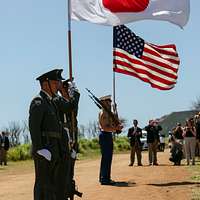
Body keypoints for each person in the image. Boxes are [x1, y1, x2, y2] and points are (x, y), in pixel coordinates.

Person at [29, 69, 78, 200]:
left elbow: (68, 110)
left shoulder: (52, 102)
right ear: (46, 84)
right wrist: (39, 149)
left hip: (55, 148)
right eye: (55, 83)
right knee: (43, 185)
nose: (58, 86)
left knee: (54, 186)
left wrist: (67, 147)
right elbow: (34, 127)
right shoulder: (38, 102)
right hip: (45, 148)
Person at [56, 79, 81, 199]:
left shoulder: (70, 102)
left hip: (72, 139)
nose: (69, 92)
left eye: (70, 90)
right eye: (67, 89)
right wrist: (76, 93)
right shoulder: (58, 101)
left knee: (70, 170)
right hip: (63, 140)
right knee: (64, 171)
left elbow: (74, 112)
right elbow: (69, 107)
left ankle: (69, 190)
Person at [98, 95, 123, 185]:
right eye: (108, 101)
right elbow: (105, 127)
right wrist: (116, 129)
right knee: (106, 158)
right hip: (105, 135)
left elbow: (115, 120)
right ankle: (105, 179)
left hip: (107, 135)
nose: (110, 102)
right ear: (104, 102)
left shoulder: (108, 112)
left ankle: (103, 177)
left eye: (110, 101)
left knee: (106, 158)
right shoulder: (104, 113)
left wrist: (115, 110)